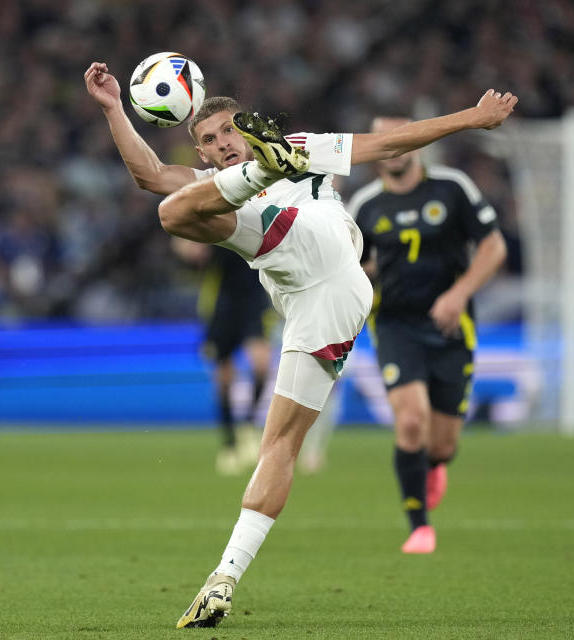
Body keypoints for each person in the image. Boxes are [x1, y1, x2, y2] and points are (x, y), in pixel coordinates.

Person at [84, 60, 516, 628]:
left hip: (330, 257)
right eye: (209, 141)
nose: (220, 144)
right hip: (308, 300)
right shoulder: (212, 180)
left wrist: (471, 119)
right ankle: (224, 577)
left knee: (180, 207)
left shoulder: (305, 146)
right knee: (278, 446)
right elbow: (147, 173)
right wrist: (115, 107)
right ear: (207, 151)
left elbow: (390, 143)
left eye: (229, 133)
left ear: (247, 129)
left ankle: (269, 174)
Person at [346, 114, 509, 554]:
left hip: (452, 325)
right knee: (411, 420)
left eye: (403, 136)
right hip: (396, 323)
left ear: (419, 140)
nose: (396, 146)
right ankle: (419, 525)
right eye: (385, 139)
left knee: (443, 443)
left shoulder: (452, 188)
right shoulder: (364, 206)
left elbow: (494, 246)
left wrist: (458, 294)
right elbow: (347, 266)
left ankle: (436, 465)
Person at [171, 238, 273, 474]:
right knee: (224, 376)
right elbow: (187, 244)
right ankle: (229, 444)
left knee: (261, 363)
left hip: (255, 297)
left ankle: (248, 426)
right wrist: (188, 247)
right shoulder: (214, 209)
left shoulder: (260, 205)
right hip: (223, 300)